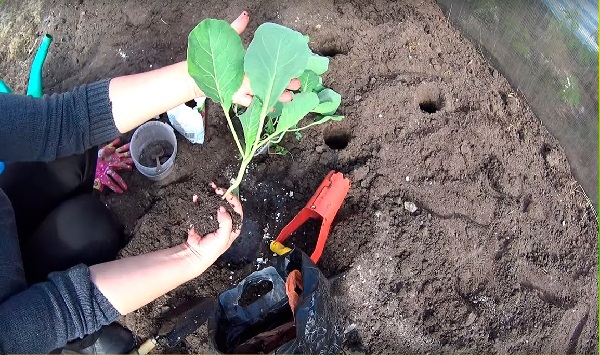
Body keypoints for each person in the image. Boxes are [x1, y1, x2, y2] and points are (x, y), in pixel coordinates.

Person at [0, 11, 301, 353]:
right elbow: (67, 309)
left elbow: (62, 121)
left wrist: (199, 79)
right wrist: (190, 257)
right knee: (91, 228)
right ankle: (80, 345)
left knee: (69, 156)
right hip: (20, 328)